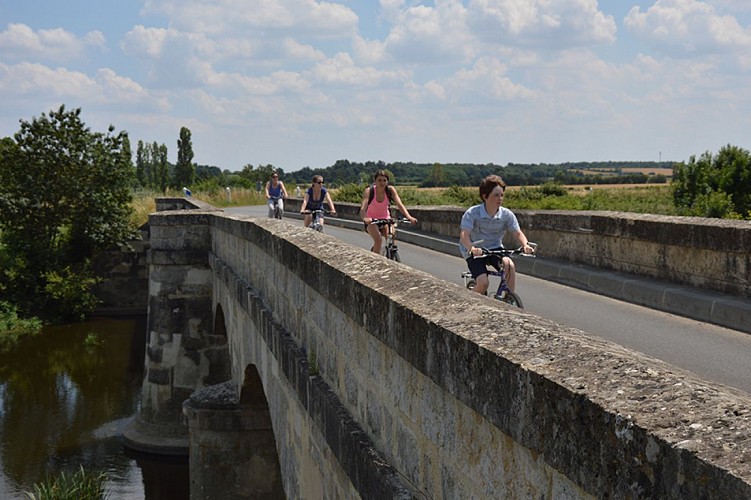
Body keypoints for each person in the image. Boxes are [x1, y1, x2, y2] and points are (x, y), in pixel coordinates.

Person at [459, 175, 534, 294]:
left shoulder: (506, 215)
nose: (500, 198)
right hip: (475, 250)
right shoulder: (472, 213)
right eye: (496, 195)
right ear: (485, 196)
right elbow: (464, 234)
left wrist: (525, 245)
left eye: (502, 195)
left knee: (509, 265)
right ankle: (468, 297)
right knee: (483, 283)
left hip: (495, 248)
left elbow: (517, 232)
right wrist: (471, 248)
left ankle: (508, 298)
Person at [359, 170, 418, 254]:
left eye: (384, 180)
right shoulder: (369, 191)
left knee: (391, 238)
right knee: (378, 240)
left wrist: (409, 217)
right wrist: (365, 218)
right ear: (375, 181)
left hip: (386, 219)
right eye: (379, 180)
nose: (382, 183)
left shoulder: (390, 190)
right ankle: (375, 261)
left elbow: (399, 204)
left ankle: (391, 257)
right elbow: (363, 208)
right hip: (372, 221)